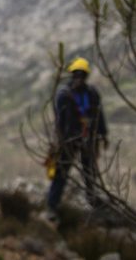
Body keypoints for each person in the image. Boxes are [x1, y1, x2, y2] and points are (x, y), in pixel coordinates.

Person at [45, 57, 108, 221]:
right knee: (61, 172)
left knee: (90, 170)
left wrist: (103, 134)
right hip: (69, 140)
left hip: (88, 138)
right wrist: (61, 140)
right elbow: (60, 119)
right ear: (72, 74)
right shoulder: (64, 94)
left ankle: (92, 198)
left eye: (82, 74)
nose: (79, 77)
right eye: (76, 74)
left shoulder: (92, 93)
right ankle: (52, 206)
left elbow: (99, 114)